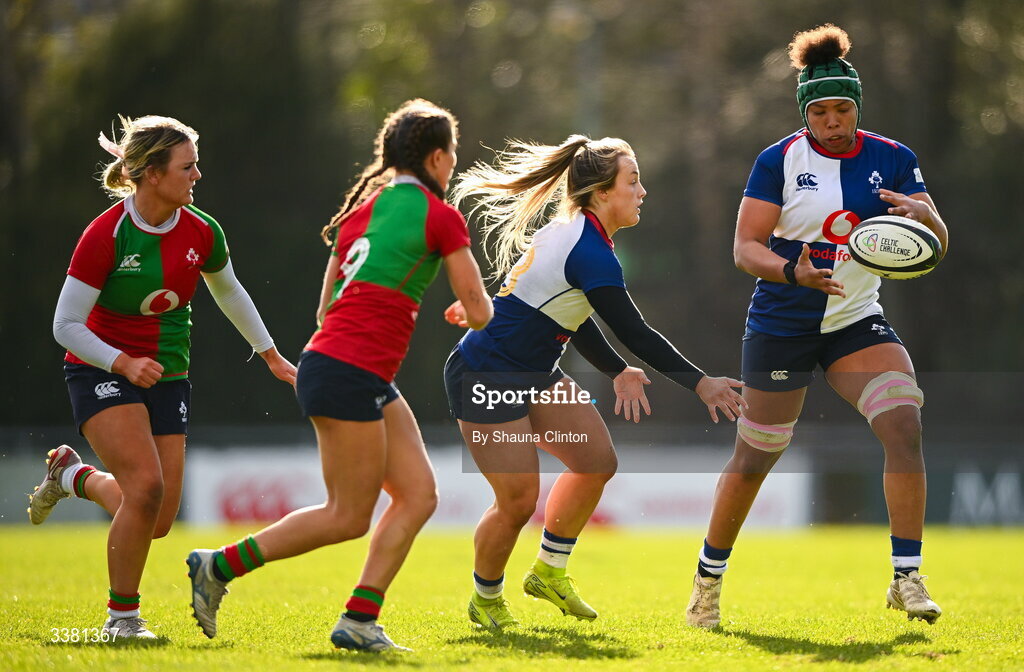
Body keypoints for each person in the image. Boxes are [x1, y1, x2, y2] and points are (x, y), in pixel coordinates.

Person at [186, 99, 492, 652]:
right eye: (452, 157)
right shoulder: (440, 215)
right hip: (351, 370)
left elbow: (326, 309)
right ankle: (218, 566)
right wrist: (466, 311)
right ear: (438, 158)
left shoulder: (361, 212)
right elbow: (481, 309)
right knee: (347, 515)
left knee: (419, 495)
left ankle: (359, 620)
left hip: (340, 364)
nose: (453, 166)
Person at [685, 24, 949, 629]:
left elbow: (936, 244)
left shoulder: (894, 159)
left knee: (903, 423)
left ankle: (907, 577)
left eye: (843, 108)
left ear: (858, 106)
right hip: (784, 320)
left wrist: (927, 217)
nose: (833, 120)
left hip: (856, 319)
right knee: (756, 458)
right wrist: (791, 272)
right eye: (821, 111)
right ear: (806, 111)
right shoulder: (777, 160)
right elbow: (744, 248)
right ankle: (707, 581)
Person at [443, 135, 746, 629]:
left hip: (537, 373)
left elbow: (575, 318)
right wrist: (700, 383)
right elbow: (633, 330)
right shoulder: (588, 250)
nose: (642, 191)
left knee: (595, 462)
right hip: (488, 373)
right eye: (633, 181)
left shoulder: (580, 236)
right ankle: (486, 598)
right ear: (602, 193)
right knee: (518, 501)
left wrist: (617, 370)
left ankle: (549, 572)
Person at [29, 115, 297, 640]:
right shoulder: (106, 234)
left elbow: (229, 292)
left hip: (168, 374)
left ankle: (71, 477)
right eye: (188, 166)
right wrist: (121, 362)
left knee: (156, 518)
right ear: (151, 173)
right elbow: (65, 325)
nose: (198, 176)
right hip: (99, 369)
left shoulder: (203, 229)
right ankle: (122, 620)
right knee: (146, 487)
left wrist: (268, 354)